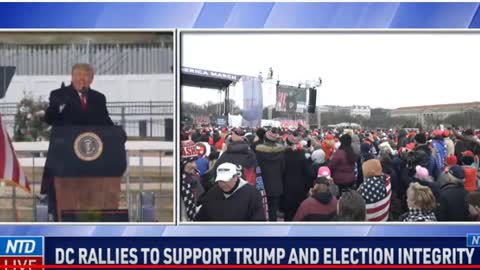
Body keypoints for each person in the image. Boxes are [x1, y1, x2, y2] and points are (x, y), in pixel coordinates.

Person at [41, 63, 115, 221]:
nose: (82, 79)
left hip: (90, 157)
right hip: (64, 158)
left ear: (92, 79)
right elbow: (49, 119)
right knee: (63, 198)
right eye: (78, 75)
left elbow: (106, 123)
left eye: (86, 75)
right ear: (72, 77)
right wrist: (58, 107)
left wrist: (118, 134)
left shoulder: (98, 98)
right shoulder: (58, 94)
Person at [195, 162, 266, 221]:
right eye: (220, 181)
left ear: (235, 177)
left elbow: (258, 219)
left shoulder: (252, 193)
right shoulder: (212, 192)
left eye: (226, 180)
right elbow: (203, 215)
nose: (223, 184)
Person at [255, 129, 285, 221]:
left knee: (261, 209)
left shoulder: (259, 152)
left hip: (262, 185)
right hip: (276, 185)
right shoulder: (281, 152)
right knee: (273, 210)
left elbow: (257, 168)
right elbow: (283, 169)